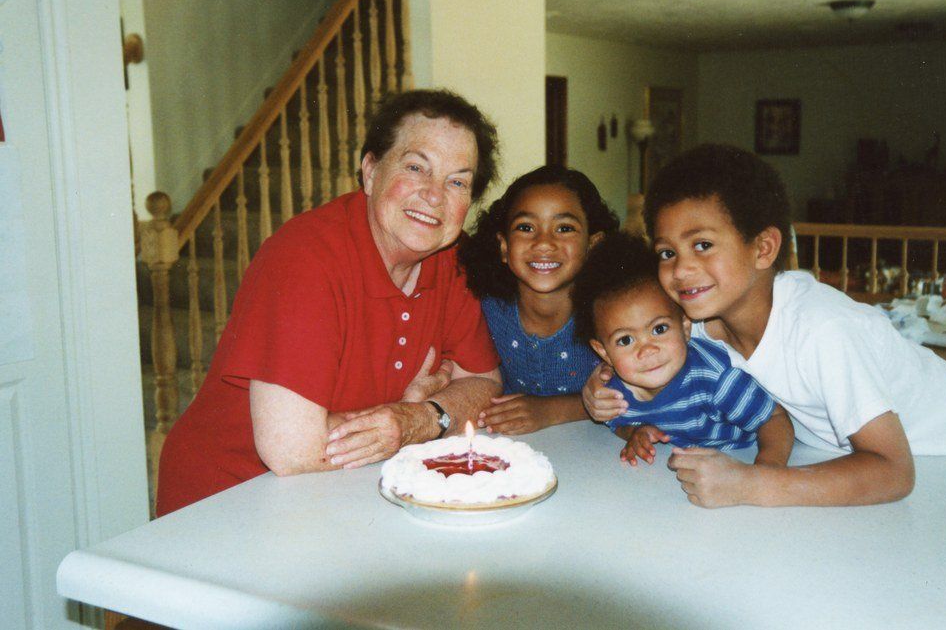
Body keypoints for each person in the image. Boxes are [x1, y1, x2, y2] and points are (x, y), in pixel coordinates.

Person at [156, 89, 504, 516]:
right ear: (371, 171)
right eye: (416, 167)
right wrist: (407, 417)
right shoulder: (304, 258)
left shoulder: (454, 259)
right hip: (227, 499)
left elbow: (485, 385)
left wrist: (421, 417)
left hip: (341, 492)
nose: (435, 196)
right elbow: (293, 450)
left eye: (457, 182)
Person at [584, 144, 946, 508]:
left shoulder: (822, 330)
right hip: (834, 455)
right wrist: (600, 394)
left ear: (763, 248)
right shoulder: (696, 326)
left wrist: (753, 484)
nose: (681, 269)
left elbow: (894, 472)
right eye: (667, 252)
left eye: (702, 244)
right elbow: (653, 381)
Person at [572, 232, 792, 467]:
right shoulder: (613, 392)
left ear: (686, 327)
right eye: (625, 340)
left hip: (739, 458)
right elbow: (618, 423)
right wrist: (636, 432)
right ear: (604, 352)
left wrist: (764, 473)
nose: (647, 350)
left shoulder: (714, 378)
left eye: (659, 329)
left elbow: (775, 419)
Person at [457, 166, 618, 434]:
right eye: (526, 227)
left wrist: (553, 410)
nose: (544, 243)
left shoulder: (614, 316)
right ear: (504, 247)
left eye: (564, 228)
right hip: (509, 450)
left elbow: (644, 389)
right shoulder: (485, 309)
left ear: (593, 245)